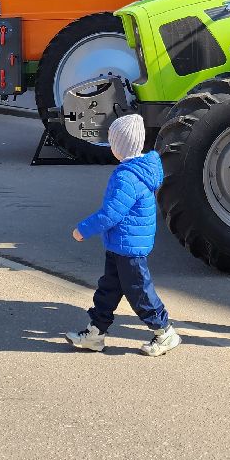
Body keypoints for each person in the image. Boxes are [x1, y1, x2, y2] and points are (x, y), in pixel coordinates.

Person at [65, 114, 181, 357]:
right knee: (108, 289)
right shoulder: (138, 170)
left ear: (119, 146)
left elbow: (111, 214)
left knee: (139, 292)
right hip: (122, 244)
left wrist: (83, 230)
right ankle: (95, 333)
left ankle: (165, 331)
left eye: (112, 141)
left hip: (129, 247)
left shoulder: (127, 176)